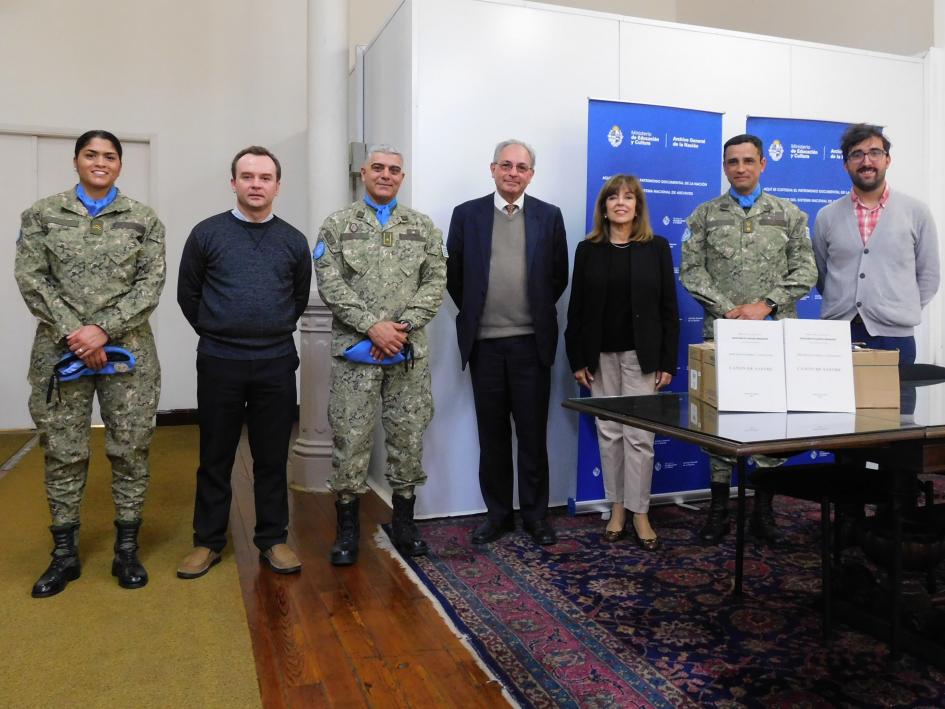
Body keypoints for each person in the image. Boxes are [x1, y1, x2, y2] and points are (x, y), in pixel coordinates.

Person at [15, 130, 165, 597]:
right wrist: (77, 335)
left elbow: (150, 284)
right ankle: (64, 554)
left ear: (120, 164)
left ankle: (126, 549)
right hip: (61, 354)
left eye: (110, 156)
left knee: (130, 449)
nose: (101, 162)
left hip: (129, 356)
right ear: (76, 160)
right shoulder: (43, 215)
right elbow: (31, 277)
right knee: (63, 451)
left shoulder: (143, 219)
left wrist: (103, 330)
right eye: (91, 155)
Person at [177, 146, 312, 579]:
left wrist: (266, 329)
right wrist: (219, 330)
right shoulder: (207, 234)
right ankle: (208, 542)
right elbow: (189, 294)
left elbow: (296, 298)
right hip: (220, 361)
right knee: (215, 454)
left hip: (275, 362)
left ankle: (273, 539)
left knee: (272, 456)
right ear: (233, 182)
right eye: (248, 176)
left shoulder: (293, 240)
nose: (256, 184)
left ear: (277, 185)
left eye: (265, 177)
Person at [680, 134, 817, 546]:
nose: (740, 168)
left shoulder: (789, 214)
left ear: (762, 165)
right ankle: (719, 509)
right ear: (724, 167)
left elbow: (806, 270)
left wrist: (766, 306)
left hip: (773, 336)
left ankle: (764, 510)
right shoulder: (704, 215)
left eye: (748, 161)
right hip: (721, 335)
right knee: (718, 418)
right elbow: (691, 271)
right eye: (732, 162)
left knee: (770, 422)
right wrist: (728, 310)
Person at [314, 144, 446, 566]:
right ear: (363, 173)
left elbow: (435, 283)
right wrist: (373, 326)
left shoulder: (423, 227)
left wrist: (399, 328)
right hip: (356, 354)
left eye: (394, 170)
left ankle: (404, 524)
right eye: (378, 168)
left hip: (406, 355)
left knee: (408, 437)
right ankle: (347, 530)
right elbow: (330, 284)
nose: (386, 175)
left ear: (401, 177)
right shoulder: (337, 225)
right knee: (350, 440)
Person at [446, 139, 568, 546]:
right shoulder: (467, 215)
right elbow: (456, 277)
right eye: (506, 165)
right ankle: (498, 515)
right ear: (493, 168)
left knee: (533, 436)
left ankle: (535, 516)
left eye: (521, 167)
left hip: (531, 346)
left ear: (531, 174)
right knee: (492, 436)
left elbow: (557, 278)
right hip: (485, 346)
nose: (513, 173)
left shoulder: (549, 217)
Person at [565, 175, 679, 550]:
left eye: (628, 197)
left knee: (640, 437)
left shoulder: (657, 248)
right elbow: (577, 309)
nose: (620, 202)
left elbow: (668, 308)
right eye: (613, 197)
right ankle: (617, 509)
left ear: (638, 206)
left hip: (641, 357)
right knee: (610, 433)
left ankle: (640, 512)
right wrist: (578, 357)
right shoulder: (588, 249)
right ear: (604, 206)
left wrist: (667, 361)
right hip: (600, 357)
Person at [813, 123, 940, 364]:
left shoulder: (916, 212)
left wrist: (898, 308)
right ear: (846, 164)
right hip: (840, 334)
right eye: (857, 154)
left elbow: (929, 276)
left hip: (895, 337)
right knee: (839, 402)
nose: (866, 161)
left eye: (875, 153)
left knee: (894, 402)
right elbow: (822, 275)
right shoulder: (826, 216)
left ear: (888, 160)